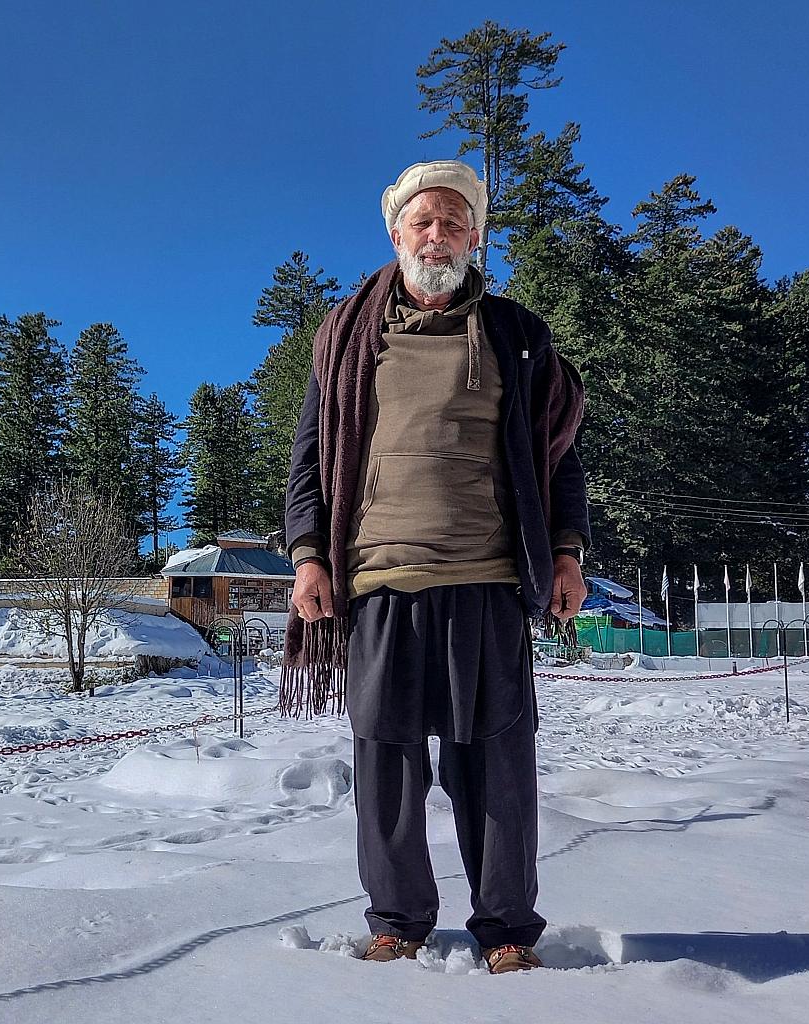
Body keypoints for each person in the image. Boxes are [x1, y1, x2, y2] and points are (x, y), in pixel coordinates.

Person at [281, 159, 589, 975]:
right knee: (387, 766)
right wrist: (308, 556)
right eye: (423, 221)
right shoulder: (346, 336)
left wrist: (567, 550)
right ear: (396, 234)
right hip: (380, 581)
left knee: (496, 767)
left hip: (488, 580)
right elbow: (309, 460)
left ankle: (507, 930)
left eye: (454, 222)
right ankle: (398, 921)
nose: (437, 236)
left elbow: (559, 456)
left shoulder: (518, 335)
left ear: (476, 237)